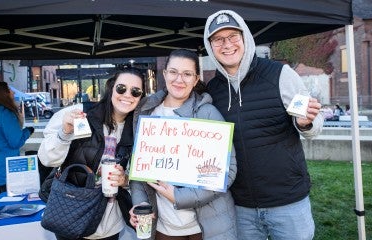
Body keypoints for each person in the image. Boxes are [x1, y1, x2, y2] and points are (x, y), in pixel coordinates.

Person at [203, 10, 324, 240]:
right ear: (210, 46)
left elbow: (314, 126)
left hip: (288, 203)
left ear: (245, 37)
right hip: (240, 207)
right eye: (218, 39)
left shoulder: (280, 74)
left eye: (233, 36)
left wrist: (305, 123)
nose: (226, 44)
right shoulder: (213, 90)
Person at [129, 49, 238, 240]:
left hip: (206, 227)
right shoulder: (148, 112)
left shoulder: (208, 113)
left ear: (196, 79)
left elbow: (227, 172)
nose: (179, 79)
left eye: (187, 74)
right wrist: (139, 205)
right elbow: (138, 169)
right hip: (164, 227)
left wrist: (179, 197)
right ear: (164, 74)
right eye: (173, 72)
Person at [37, 68, 145, 240]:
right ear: (111, 88)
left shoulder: (137, 129)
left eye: (135, 91)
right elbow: (47, 159)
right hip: (71, 215)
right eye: (121, 88)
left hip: (109, 224)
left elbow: (141, 175)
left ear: (141, 97)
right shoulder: (81, 114)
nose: (127, 95)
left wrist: (124, 180)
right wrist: (64, 132)